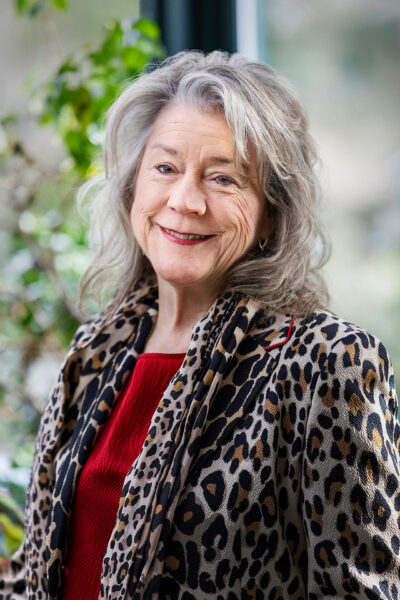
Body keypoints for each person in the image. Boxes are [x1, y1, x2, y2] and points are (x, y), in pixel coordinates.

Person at [1, 50, 399, 600]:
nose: (186, 201)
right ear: (133, 188)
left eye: (223, 178)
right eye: (165, 168)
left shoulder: (330, 362)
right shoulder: (96, 349)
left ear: (271, 213)